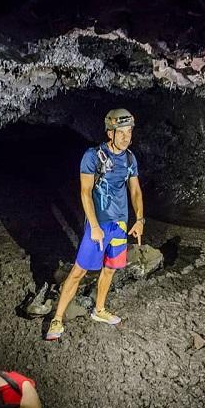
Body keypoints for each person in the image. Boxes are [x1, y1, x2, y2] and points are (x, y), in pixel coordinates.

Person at [45, 108, 145, 340]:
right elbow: (85, 192)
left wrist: (139, 219)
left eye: (129, 132)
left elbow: (136, 191)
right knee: (80, 270)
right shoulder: (93, 156)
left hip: (120, 224)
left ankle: (99, 310)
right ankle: (57, 319)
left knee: (110, 268)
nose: (126, 137)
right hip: (98, 224)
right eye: (121, 132)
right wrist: (94, 226)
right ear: (110, 133)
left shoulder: (130, 158)